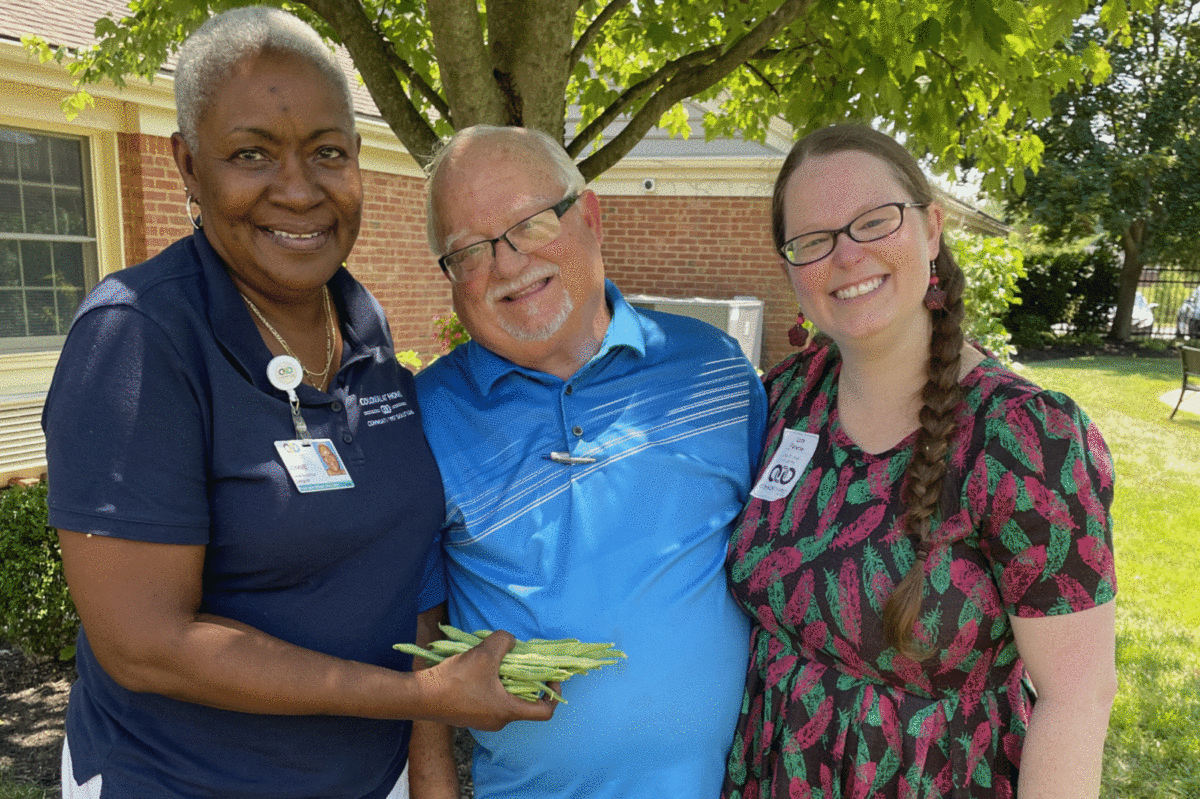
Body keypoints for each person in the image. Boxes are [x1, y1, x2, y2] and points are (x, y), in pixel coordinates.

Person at [41, 9, 551, 798]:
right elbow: (146, 644)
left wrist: (422, 750)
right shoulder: (139, 337)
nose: (299, 189)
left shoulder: (361, 320)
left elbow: (403, 563)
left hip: (365, 776)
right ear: (188, 165)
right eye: (251, 153)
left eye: (327, 152)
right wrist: (418, 695)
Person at [722, 123, 1118, 799]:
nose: (847, 254)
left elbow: (1076, 698)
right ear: (790, 267)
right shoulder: (783, 400)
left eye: (874, 221)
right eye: (813, 239)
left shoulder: (1025, 437)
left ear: (931, 230)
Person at [409, 125, 768, 798]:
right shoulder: (424, 420)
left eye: (530, 223)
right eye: (470, 250)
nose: (509, 264)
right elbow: (419, 636)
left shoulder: (715, 372)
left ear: (591, 217)